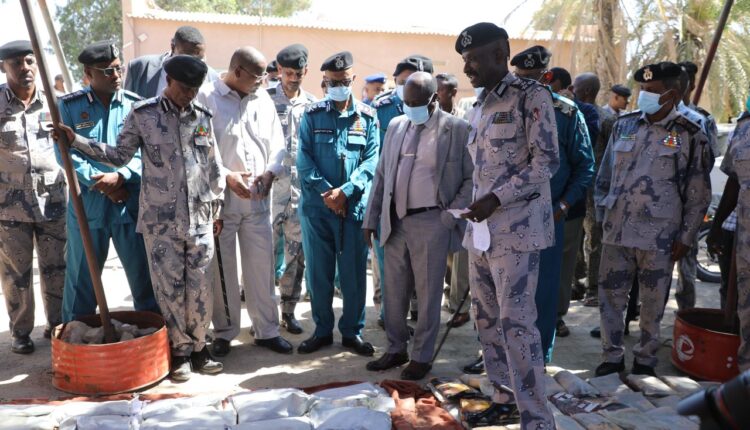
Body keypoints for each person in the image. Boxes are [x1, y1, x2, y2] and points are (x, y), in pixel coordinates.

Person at [59, 55, 225, 381]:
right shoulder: (143, 114)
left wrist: (217, 208)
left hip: (200, 218)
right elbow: (118, 156)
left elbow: (213, 167)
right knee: (170, 290)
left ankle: (199, 347)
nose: (189, 95)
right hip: (161, 222)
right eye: (184, 88)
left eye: (194, 89)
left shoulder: (202, 116)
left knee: (201, 289)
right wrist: (76, 141)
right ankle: (180, 353)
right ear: (168, 80)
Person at [456, 23, 557, 428]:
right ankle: (504, 398)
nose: (467, 68)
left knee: (517, 327)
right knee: (486, 322)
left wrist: (496, 198)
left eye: (473, 59)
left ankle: (537, 418)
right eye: (465, 60)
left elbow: (546, 162)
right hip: (481, 234)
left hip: (517, 233)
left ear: (500, 54)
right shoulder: (480, 104)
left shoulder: (531, 96)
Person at [594, 62, 711, 377]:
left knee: (652, 303)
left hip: (659, 236)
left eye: (652, 91)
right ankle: (611, 356)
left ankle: (645, 359)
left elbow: (698, 193)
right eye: (642, 89)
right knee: (610, 298)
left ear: (672, 94)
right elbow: (604, 176)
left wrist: (686, 236)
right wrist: (603, 214)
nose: (643, 95)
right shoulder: (624, 125)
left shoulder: (690, 134)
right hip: (617, 231)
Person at [363, 72, 473, 380]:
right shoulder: (396, 126)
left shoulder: (457, 129)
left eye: (417, 103)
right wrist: (371, 219)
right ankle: (396, 348)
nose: (410, 108)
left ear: (434, 99)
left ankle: (422, 357)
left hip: (432, 221)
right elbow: (382, 175)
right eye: (406, 102)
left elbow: (471, 178)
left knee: (427, 295)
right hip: (395, 221)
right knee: (394, 291)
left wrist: (450, 216)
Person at [198, 47, 294, 357]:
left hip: (258, 200)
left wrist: (270, 172)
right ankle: (225, 332)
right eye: (257, 77)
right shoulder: (207, 97)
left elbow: (277, 143)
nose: (262, 83)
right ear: (237, 71)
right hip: (222, 202)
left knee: (261, 268)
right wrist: (226, 176)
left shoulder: (262, 99)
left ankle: (267, 331)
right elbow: (200, 148)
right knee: (222, 270)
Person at [57, 41, 159, 323]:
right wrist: (100, 182)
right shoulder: (68, 106)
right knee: (81, 282)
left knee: (144, 280)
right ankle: (76, 336)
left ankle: (152, 337)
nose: (115, 75)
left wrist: (121, 176)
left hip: (129, 204)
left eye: (117, 68)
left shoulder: (136, 105)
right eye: (106, 71)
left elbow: (148, 153)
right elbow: (64, 153)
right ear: (89, 74)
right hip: (88, 206)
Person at [512, 47, 594, 363]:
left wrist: (564, 205)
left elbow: (584, 166)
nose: (522, 84)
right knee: (505, 290)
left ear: (546, 77)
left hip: (547, 216)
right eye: (518, 78)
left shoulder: (567, 113)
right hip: (507, 215)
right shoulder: (504, 108)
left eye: (530, 78)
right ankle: (500, 352)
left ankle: (538, 356)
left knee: (543, 291)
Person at [296, 51, 379, 356]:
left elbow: (371, 160)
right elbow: (303, 160)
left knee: (353, 274)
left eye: (343, 82)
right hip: (318, 209)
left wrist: (345, 191)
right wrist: (328, 194)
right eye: (332, 82)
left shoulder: (367, 118)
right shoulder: (312, 114)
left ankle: (352, 332)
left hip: (352, 209)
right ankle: (321, 331)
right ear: (324, 82)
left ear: (352, 79)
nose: (338, 87)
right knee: (319, 274)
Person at [0, 40, 66, 354]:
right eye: (16, 63)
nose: (25, 68)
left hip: (54, 201)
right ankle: (21, 331)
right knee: (17, 274)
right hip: (10, 207)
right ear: (3, 68)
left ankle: (57, 325)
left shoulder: (56, 102)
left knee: (57, 268)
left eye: (29, 61)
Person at [372, 54, 434, 325]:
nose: (406, 87)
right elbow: (376, 157)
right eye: (401, 81)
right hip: (389, 198)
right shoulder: (382, 108)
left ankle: (417, 311)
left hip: (422, 203)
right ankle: (389, 315)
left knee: (421, 264)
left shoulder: (440, 116)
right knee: (388, 263)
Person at [268, 44, 318, 335]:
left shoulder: (312, 104)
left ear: (305, 72)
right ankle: (265, 316)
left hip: (300, 194)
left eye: (298, 74)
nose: (293, 79)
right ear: (279, 71)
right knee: (262, 257)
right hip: (270, 193)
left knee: (296, 257)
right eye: (288, 73)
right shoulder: (263, 100)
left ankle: (288, 311)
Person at [707, 100, 750, 371]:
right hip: (746, 246)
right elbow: (734, 182)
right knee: (746, 315)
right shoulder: (745, 129)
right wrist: (716, 227)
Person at [672, 64, 719, 312]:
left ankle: (686, 311)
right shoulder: (661, 115)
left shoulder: (703, 119)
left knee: (687, 260)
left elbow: (708, 160)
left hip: (689, 201)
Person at [436, 73, 471, 328]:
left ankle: (460, 306)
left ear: (452, 93)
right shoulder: (429, 121)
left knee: (460, 257)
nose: (435, 96)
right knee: (444, 256)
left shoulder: (464, 123)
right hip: (436, 201)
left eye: (440, 91)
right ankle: (447, 296)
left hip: (461, 199)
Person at [123, 25, 219, 99]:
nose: (195, 64)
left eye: (200, 59)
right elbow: (126, 109)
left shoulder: (212, 78)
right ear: (173, 47)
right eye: (188, 58)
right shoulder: (140, 67)